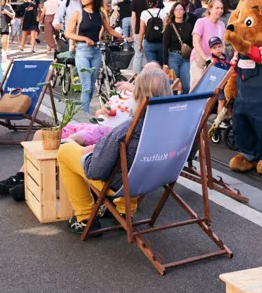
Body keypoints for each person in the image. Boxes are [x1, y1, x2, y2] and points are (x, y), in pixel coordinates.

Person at [57, 65, 174, 233]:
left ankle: (85, 217)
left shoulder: (128, 129)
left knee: (65, 150)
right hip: (155, 177)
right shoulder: (175, 124)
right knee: (131, 162)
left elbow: (96, 171)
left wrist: (90, 154)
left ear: (137, 95)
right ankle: (125, 212)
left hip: (122, 183)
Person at [66, 0, 124, 116]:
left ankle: (84, 111)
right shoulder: (78, 13)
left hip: (96, 52)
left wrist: (123, 37)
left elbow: (109, 30)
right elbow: (68, 33)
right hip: (82, 52)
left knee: (91, 85)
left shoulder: (100, 13)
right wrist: (84, 38)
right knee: (86, 86)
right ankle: (84, 115)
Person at [190, 0, 226, 89]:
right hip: (200, 62)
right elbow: (195, 43)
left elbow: (223, 44)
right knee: (197, 88)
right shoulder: (201, 22)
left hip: (215, 63)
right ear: (210, 9)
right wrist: (207, 59)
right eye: (217, 8)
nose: (220, 10)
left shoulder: (221, 25)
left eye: (221, 8)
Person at [162, 2, 193, 93]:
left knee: (187, 85)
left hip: (185, 57)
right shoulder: (169, 26)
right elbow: (165, 45)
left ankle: (186, 104)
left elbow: (191, 43)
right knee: (174, 85)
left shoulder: (188, 26)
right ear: (173, 12)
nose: (179, 12)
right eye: (176, 9)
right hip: (173, 57)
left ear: (184, 11)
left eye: (181, 9)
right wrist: (165, 63)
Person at [130, 0, 155, 73]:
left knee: (138, 55)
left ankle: (136, 78)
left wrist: (134, 31)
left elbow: (133, 17)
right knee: (151, 56)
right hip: (152, 31)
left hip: (138, 30)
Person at [138, 0, 165, 66]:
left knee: (152, 66)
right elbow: (165, 28)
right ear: (157, 2)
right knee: (161, 66)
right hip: (161, 42)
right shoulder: (162, 12)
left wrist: (140, 44)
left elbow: (142, 31)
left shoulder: (144, 13)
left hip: (149, 43)